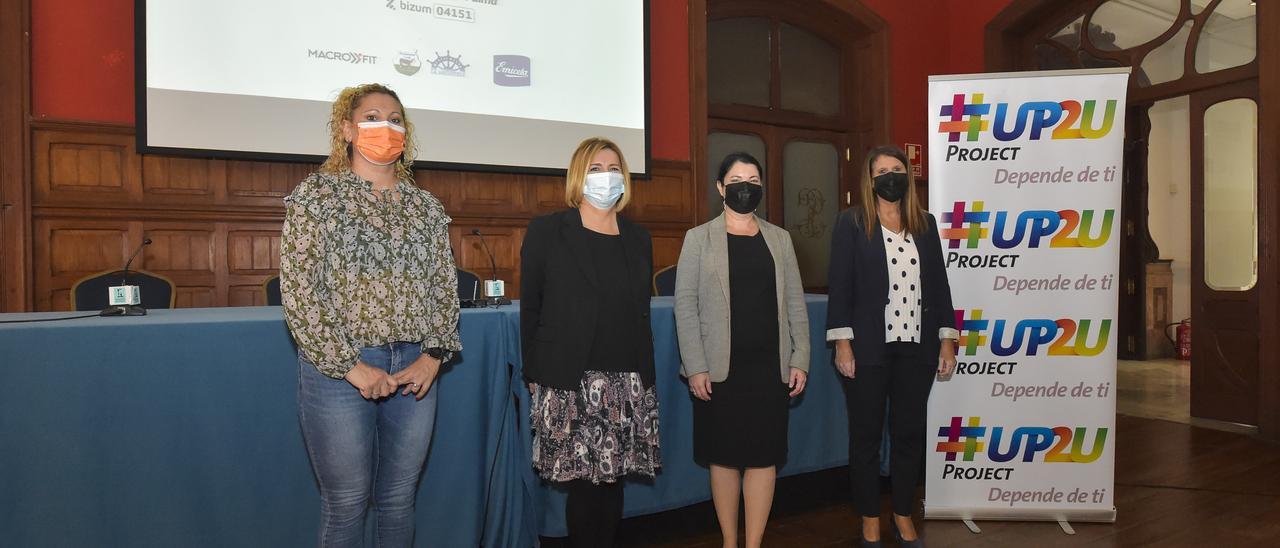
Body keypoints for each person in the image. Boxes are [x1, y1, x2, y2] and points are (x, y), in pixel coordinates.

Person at [281, 83, 462, 547]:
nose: (387, 126)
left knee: (399, 498)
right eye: (374, 116)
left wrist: (432, 357)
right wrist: (351, 368)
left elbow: (445, 288)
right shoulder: (317, 196)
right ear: (347, 128)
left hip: (415, 367)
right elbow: (300, 292)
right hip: (338, 372)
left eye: (396, 119)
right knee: (346, 502)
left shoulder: (426, 207)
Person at [519, 137, 660, 547]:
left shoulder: (638, 238)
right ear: (578, 176)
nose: (606, 177)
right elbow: (532, 308)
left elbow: (640, 312)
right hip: (569, 379)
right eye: (595, 169)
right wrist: (534, 371)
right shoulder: (547, 231)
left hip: (626, 382)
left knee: (612, 482)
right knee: (584, 486)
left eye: (614, 168)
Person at [673, 152, 810, 548]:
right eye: (736, 179)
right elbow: (685, 306)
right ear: (720, 188)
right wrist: (695, 366)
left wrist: (800, 356)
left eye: (753, 179)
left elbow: (796, 305)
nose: (745, 187)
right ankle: (729, 542)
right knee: (725, 457)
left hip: (770, 368)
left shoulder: (780, 239)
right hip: (719, 370)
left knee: (764, 458)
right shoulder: (698, 239)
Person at [826, 145, 958, 548]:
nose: (890, 176)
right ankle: (869, 518)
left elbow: (939, 285)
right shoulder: (851, 223)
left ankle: (902, 514)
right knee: (865, 437)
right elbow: (840, 287)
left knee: (908, 435)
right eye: (882, 170)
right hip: (867, 349)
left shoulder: (926, 224)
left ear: (908, 175)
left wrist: (948, 339)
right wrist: (842, 343)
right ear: (870, 179)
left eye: (897, 169)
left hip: (916, 349)